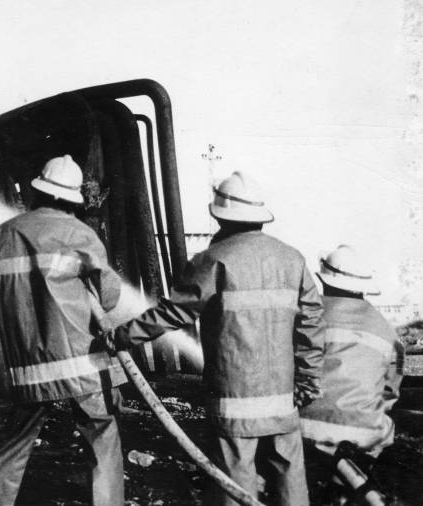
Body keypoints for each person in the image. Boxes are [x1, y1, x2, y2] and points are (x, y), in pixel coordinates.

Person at [116, 171, 325, 506]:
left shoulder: (213, 260)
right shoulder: (292, 259)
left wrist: (121, 336)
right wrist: (308, 377)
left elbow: (174, 313)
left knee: (234, 484)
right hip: (284, 397)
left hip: (234, 398)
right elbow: (312, 323)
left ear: (219, 215)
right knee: (289, 478)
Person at [0, 155, 131, 506]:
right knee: (102, 437)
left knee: (13, 445)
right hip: (83, 361)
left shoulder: (5, 233)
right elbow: (107, 297)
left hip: (28, 362)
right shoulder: (80, 234)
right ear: (72, 199)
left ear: (39, 192)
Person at [299, 245, 404, 502]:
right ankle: (342, 492)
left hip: (304, 428)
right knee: (379, 431)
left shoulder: (306, 316)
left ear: (324, 280)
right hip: (364, 432)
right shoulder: (385, 329)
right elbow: (390, 392)